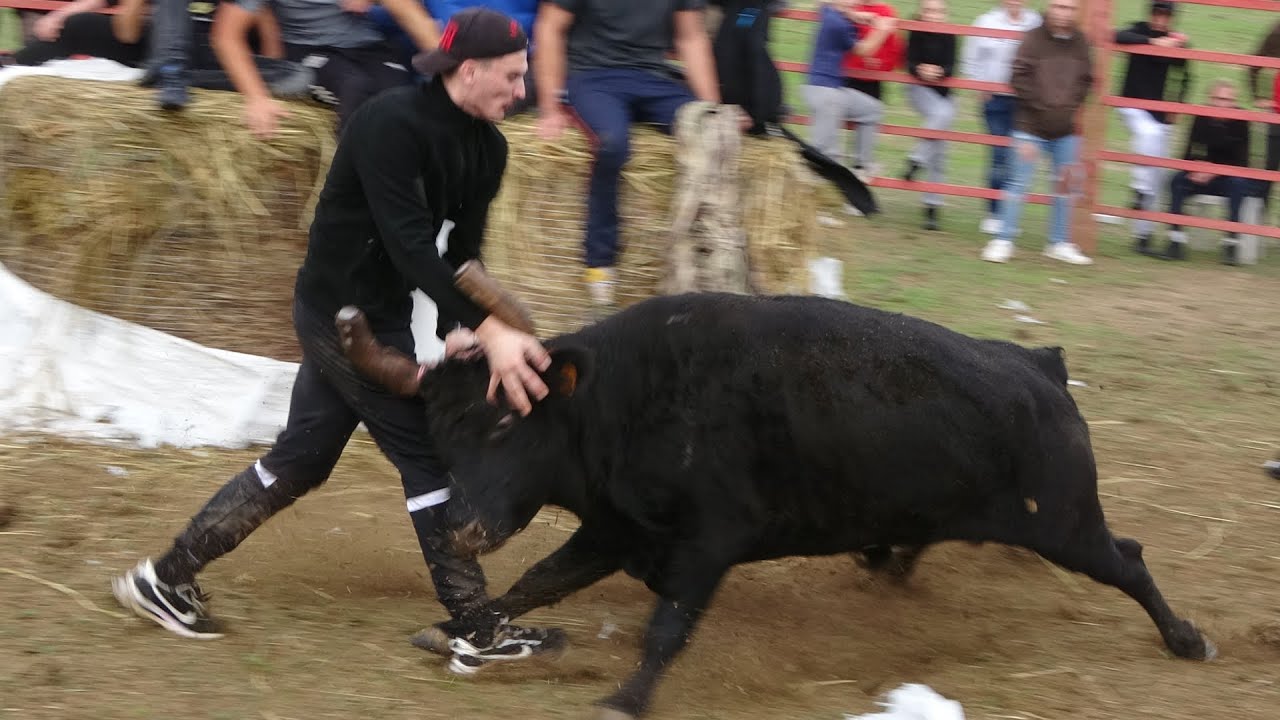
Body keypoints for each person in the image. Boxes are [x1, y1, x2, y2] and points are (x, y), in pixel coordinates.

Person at [112, 7, 563, 672]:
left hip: (378, 316)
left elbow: (462, 253)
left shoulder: (487, 147)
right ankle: (477, 628)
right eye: (512, 77)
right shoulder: (389, 124)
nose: (522, 92)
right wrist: (495, 330)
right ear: (469, 71)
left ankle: (165, 577)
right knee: (426, 456)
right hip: (336, 314)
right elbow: (411, 247)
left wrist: (460, 330)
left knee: (301, 460)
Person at [534, 0, 736, 315]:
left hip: (652, 78)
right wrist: (550, 107)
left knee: (712, 133)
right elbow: (550, 26)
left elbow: (691, 37)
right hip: (591, 77)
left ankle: (709, 256)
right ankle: (600, 264)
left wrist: (713, 111)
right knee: (612, 144)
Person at [210, 0, 443, 138]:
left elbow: (414, 18)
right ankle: (353, 199)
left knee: (398, 96)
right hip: (306, 49)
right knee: (355, 87)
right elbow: (225, 36)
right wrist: (256, 98)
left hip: (367, 45)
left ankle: (417, 203)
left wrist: (455, 77)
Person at [980, 0, 1093, 266]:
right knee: (1017, 184)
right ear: (1049, 7)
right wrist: (1042, 106)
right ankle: (1003, 240)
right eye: (1058, 6)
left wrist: (1069, 106)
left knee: (1066, 186)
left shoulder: (1081, 42)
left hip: (1066, 129)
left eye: (1068, 8)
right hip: (1029, 127)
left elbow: (1086, 80)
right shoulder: (1032, 38)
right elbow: (1018, 76)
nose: (1063, 12)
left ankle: (1059, 242)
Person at [1113, 0, 1191, 256]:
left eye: (1166, 15)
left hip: (1159, 114)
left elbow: (1185, 76)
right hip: (1131, 104)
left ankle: (1142, 235)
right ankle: (1139, 188)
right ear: (1150, 14)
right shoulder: (1139, 30)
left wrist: (1177, 105)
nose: (1160, 19)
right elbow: (1117, 35)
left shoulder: (1176, 40)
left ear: (1172, 18)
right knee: (1149, 135)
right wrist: (1154, 43)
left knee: (1156, 172)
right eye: (1157, 13)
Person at [960, 0, 1041, 236]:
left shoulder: (1036, 23)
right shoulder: (986, 21)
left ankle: (1009, 214)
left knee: (1019, 156)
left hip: (1024, 99)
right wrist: (979, 85)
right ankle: (994, 212)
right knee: (999, 155)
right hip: (994, 98)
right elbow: (970, 58)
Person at [1154, 80, 1252, 265]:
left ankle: (1231, 243)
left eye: (1228, 100)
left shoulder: (1241, 120)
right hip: (1200, 175)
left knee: (1238, 183)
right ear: (1210, 99)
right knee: (1176, 180)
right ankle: (1175, 240)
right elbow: (1188, 152)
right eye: (1219, 99)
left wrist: (1214, 171)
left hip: (1225, 178)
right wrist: (1194, 167)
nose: (1224, 104)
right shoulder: (1201, 116)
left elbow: (1242, 161)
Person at [800, 0, 893, 193]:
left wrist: (854, 15)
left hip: (830, 90)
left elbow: (824, 5)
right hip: (826, 92)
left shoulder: (830, 13)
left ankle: (862, 167)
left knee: (871, 109)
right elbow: (864, 49)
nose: (857, 2)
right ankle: (809, 198)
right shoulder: (838, 24)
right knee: (825, 151)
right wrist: (882, 30)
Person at [902, 0, 956, 231]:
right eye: (929, 11)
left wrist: (940, 72)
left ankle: (931, 209)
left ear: (946, 13)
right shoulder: (915, 31)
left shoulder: (951, 35)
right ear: (921, 12)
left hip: (943, 93)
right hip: (919, 90)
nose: (934, 15)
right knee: (943, 114)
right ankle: (916, 160)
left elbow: (952, 67)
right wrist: (921, 70)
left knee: (939, 152)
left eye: (938, 11)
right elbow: (909, 62)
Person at [1246, 19, 1280, 217]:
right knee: (1267, 174)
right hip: (1277, 117)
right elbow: (1253, 64)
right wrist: (1258, 98)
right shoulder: (1277, 30)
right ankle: (1256, 228)